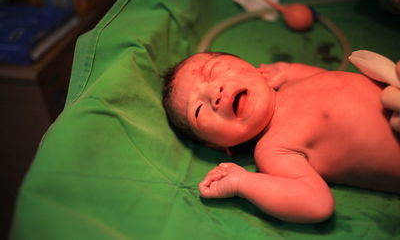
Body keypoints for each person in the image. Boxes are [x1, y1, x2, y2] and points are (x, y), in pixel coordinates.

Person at [162, 52, 400, 223]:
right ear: (217, 145)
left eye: (214, 71)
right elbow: (317, 204)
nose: (214, 94)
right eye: (198, 111)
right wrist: (242, 183)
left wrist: (287, 70)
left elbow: (330, 78)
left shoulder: (295, 82)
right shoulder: (273, 149)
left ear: (252, 66)